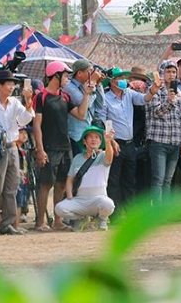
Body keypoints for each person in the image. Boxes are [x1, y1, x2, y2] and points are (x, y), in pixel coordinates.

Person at [32, 61, 92, 232]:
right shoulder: (41, 96)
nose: (67, 78)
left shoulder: (65, 97)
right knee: (45, 184)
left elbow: (80, 115)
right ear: (55, 76)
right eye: (65, 75)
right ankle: (40, 222)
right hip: (49, 147)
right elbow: (37, 125)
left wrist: (86, 95)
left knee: (61, 183)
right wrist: (40, 149)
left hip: (65, 146)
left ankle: (58, 220)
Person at [0, 68, 34, 236]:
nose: (11, 87)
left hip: (12, 147)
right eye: (8, 84)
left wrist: (28, 102)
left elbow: (25, 119)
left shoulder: (15, 102)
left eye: (12, 84)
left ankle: (8, 223)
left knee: (12, 186)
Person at [100, 68, 159, 212]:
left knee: (129, 180)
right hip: (115, 144)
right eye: (119, 77)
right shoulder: (106, 98)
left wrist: (153, 90)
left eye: (124, 77)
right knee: (114, 181)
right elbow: (103, 121)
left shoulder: (129, 94)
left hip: (130, 144)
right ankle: (116, 214)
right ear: (112, 81)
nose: (123, 80)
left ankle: (130, 213)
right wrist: (111, 141)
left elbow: (144, 99)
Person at [55, 125, 116, 231]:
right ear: (84, 141)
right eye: (90, 137)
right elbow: (70, 179)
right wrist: (69, 194)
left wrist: (108, 142)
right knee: (59, 208)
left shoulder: (102, 155)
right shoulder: (77, 158)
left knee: (109, 204)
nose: (93, 139)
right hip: (80, 200)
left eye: (97, 137)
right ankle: (82, 218)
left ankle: (102, 219)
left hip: (98, 198)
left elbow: (109, 159)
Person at [146, 61, 181, 202]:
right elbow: (156, 113)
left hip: (174, 142)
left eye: (174, 72)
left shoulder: (179, 93)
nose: (171, 75)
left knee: (168, 180)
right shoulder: (155, 90)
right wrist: (169, 100)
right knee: (158, 179)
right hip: (158, 142)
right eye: (168, 72)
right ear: (162, 73)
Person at [63, 59, 105, 157]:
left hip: (86, 133)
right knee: (79, 167)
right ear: (79, 73)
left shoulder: (86, 86)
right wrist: (93, 82)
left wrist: (98, 84)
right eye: (89, 71)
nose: (92, 73)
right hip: (75, 135)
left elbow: (100, 105)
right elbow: (86, 105)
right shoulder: (69, 87)